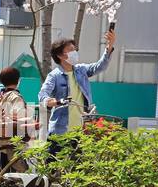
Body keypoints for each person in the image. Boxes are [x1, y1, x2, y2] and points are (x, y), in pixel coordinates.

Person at [38, 27, 116, 157]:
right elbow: (42, 95)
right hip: (60, 133)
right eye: (70, 50)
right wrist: (54, 102)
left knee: (77, 171)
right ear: (60, 55)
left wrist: (109, 46)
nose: (74, 53)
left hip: (80, 132)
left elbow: (100, 66)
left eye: (75, 50)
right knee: (53, 171)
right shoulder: (54, 76)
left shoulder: (81, 70)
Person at [0, 67, 35, 171]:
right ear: (18, 80)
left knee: (4, 166)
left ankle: (1, 185)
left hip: (0, 136)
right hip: (13, 138)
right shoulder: (15, 97)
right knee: (14, 167)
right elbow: (19, 117)